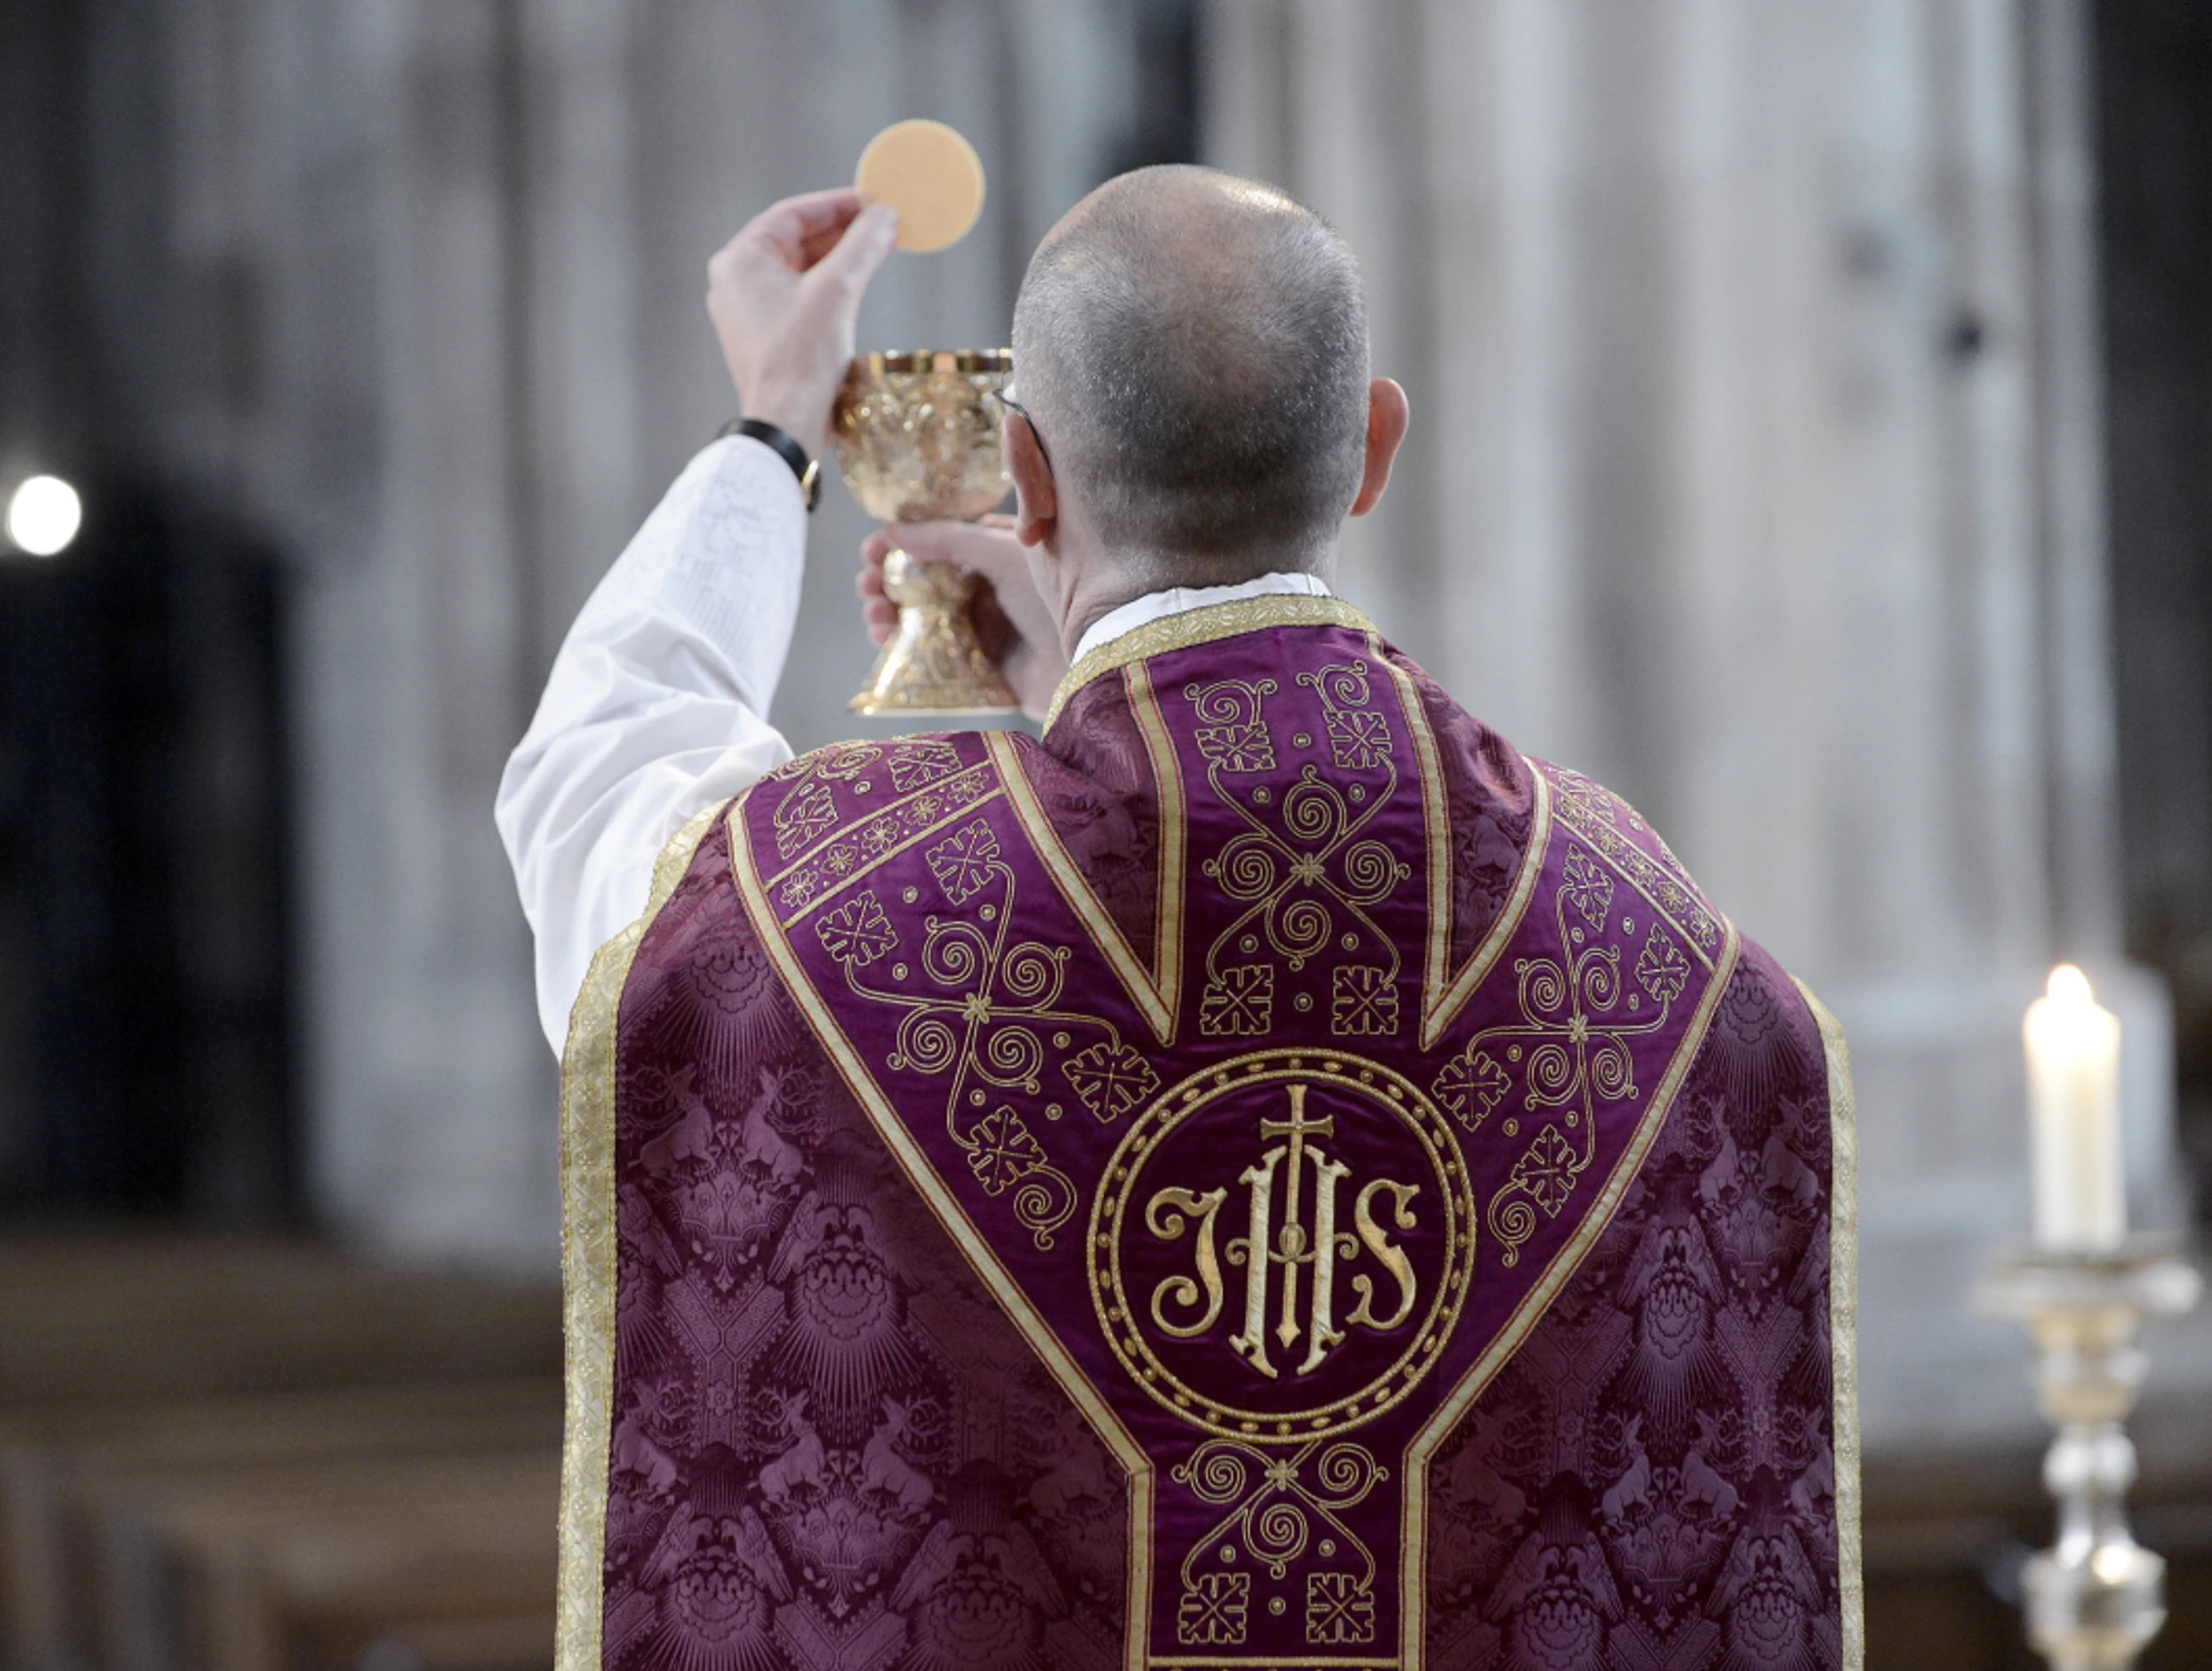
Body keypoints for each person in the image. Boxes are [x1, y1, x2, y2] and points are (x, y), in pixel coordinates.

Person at [500, 166, 1861, 1671]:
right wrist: (1071, 683)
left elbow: (602, 757)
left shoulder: (817, 922)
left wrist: (774, 424)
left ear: (1022, 471)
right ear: (1372, 450)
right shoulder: (1652, 947)